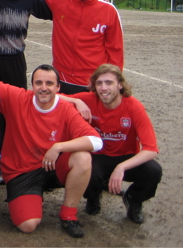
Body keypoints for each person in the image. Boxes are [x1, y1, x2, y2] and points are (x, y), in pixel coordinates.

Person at [0, 65, 103, 238]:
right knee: (28, 225)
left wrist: (59, 147)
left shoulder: (66, 109)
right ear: (32, 85)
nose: (44, 87)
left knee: (82, 158)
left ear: (58, 88)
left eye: (49, 83)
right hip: (22, 171)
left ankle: (68, 215)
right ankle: (32, 197)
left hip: (51, 165)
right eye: (39, 83)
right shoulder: (19, 98)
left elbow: (96, 141)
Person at [66, 64, 161, 224]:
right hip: (99, 157)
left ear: (120, 85)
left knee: (153, 170)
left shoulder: (134, 107)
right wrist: (75, 100)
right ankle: (93, 197)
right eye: (99, 83)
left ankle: (133, 199)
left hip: (126, 157)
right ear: (94, 86)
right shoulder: (88, 99)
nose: (103, 88)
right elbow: (53, 97)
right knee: (85, 167)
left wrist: (121, 167)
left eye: (109, 83)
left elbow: (151, 149)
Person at [38, 0, 124, 94]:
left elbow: (115, 50)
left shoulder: (109, 11)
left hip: (93, 81)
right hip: (63, 78)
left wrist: (112, 80)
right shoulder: (59, 0)